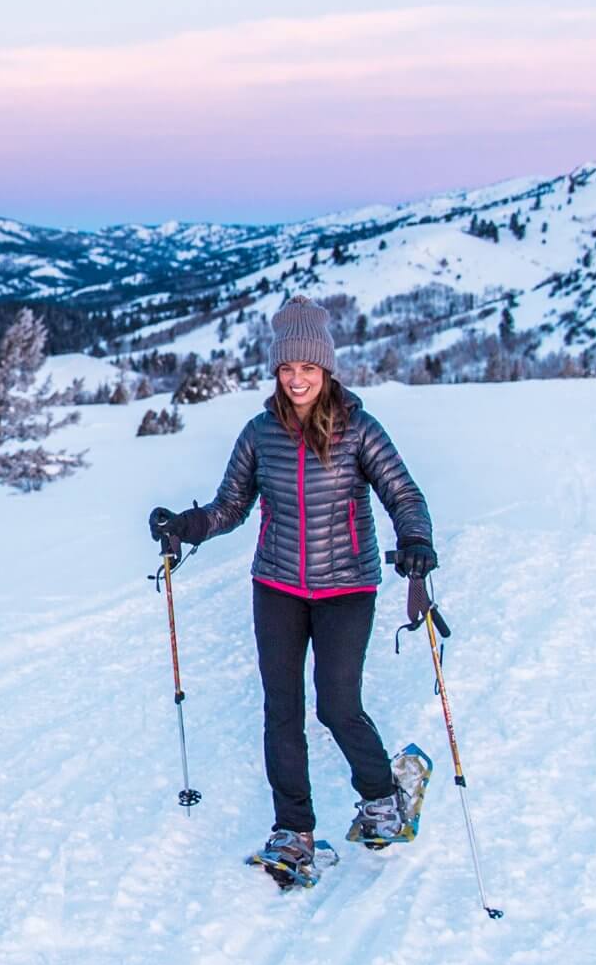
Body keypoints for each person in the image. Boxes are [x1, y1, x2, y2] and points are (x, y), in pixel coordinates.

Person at [146, 297, 436, 881]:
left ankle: (382, 797)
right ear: (277, 372)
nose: (297, 378)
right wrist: (187, 524)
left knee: (337, 704)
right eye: (287, 368)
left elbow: (404, 496)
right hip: (276, 584)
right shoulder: (261, 433)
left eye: (307, 368)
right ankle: (293, 831)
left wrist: (416, 541)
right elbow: (231, 505)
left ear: (326, 369)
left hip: (347, 586)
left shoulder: (359, 429)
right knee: (282, 710)